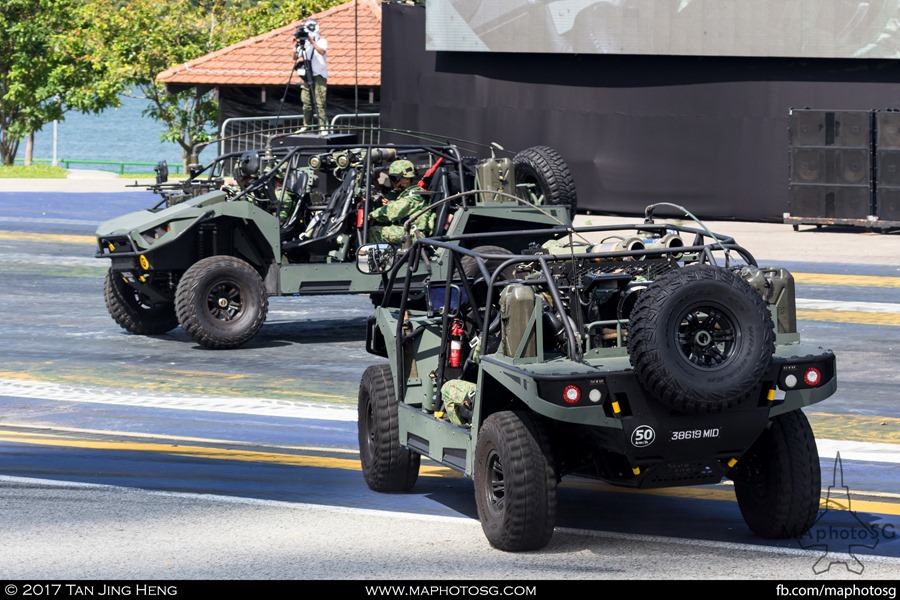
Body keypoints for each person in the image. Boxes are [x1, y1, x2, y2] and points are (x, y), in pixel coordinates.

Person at [368, 159, 435, 244]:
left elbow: (395, 211)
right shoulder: (408, 194)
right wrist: (390, 203)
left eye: (394, 178)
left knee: (374, 232)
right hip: (408, 231)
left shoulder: (416, 195)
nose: (393, 182)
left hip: (415, 234)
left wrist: (370, 215)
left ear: (406, 179)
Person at [295, 18, 328, 131]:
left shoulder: (321, 41)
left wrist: (312, 41)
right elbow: (295, 57)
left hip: (319, 75)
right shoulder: (305, 44)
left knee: (320, 102)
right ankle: (306, 125)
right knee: (306, 102)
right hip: (307, 75)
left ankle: (322, 126)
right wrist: (296, 45)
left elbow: (321, 51)